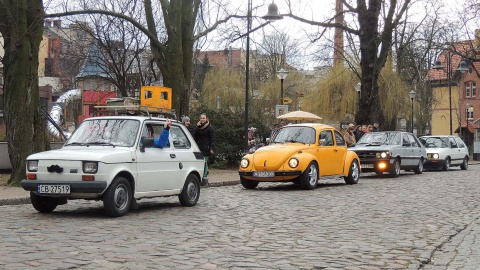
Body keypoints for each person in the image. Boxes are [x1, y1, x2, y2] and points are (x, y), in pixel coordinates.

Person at [195, 113, 215, 181]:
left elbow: (212, 139)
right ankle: (202, 173)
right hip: (199, 146)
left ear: (206, 119)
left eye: (203, 118)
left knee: (204, 161)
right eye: (201, 118)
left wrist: (211, 148)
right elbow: (196, 137)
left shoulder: (210, 128)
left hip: (206, 147)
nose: (202, 119)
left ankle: (205, 175)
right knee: (200, 161)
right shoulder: (198, 127)